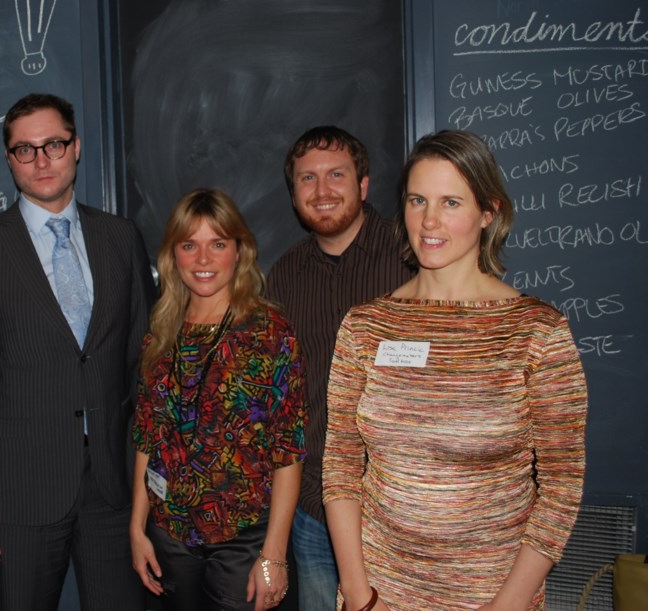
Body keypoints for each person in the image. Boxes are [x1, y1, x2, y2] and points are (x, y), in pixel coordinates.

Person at [323, 130, 588, 610]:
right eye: (417, 200)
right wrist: (361, 596)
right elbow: (341, 470)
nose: (429, 220)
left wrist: (507, 604)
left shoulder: (536, 332)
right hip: (381, 594)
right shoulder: (365, 327)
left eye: (451, 202)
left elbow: (562, 488)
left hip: (493, 595)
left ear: (487, 213)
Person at [0, 92, 154, 611]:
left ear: (76, 147)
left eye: (54, 145)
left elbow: (143, 367)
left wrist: (147, 488)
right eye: (25, 150)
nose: (41, 161)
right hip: (18, 494)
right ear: (9, 159)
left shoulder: (120, 238)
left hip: (112, 488)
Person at [130, 188, 308, 611]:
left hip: (244, 540)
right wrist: (137, 528)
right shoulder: (160, 335)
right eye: (190, 245)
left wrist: (275, 555)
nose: (204, 259)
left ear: (239, 251)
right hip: (169, 534)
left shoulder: (269, 333)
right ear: (174, 255)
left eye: (218, 244)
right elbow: (146, 435)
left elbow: (289, 451)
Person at [266, 126, 414, 609]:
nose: (322, 191)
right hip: (315, 510)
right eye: (307, 179)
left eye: (336, 175)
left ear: (364, 185)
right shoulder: (284, 276)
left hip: (401, 508)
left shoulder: (413, 259)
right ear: (293, 195)